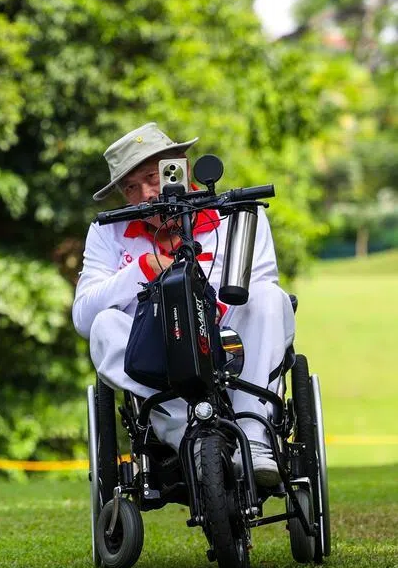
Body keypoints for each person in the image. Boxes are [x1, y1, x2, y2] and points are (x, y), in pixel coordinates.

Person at [72, 122, 295, 487]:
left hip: (233, 344)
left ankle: (254, 438)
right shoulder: (107, 231)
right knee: (103, 326)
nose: (145, 194)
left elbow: (262, 288)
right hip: (158, 352)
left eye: (153, 176)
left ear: (182, 167)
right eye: (131, 187)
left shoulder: (235, 213)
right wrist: (143, 269)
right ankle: (188, 438)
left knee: (269, 297)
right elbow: (83, 317)